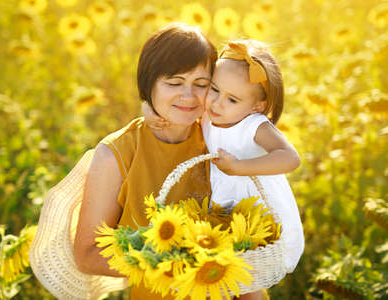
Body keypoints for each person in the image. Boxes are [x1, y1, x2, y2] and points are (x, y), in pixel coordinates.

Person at [143, 39, 304, 300]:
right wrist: (148, 110)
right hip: (223, 208)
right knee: (220, 275)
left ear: (257, 106)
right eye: (214, 89)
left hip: (255, 213)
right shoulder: (211, 114)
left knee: (248, 281)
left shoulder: (254, 125)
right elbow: (174, 107)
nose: (217, 103)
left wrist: (240, 167)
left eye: (232, 99)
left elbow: (290, 158)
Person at [73, 23, 219, 300]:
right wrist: (172, 267)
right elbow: (87, 255)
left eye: (201, 84)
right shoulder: (117, 154)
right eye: (174, 83)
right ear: (148, 83)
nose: (188, 96)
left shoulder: (219, 139)